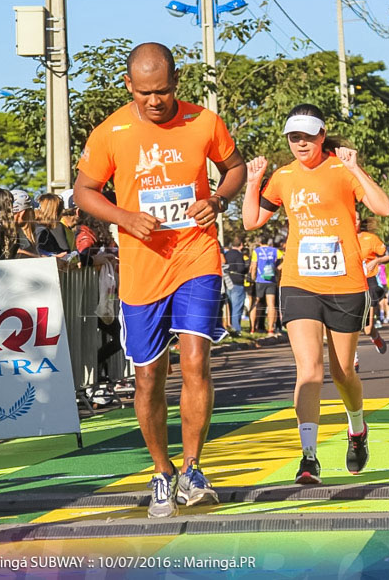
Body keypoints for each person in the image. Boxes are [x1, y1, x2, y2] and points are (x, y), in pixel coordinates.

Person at [73, 42, 246, 517]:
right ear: (129, 85)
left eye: (164, 91)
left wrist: (219, 201)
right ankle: (162, 471)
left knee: (195, 361)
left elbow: (235, 168)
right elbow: (84, 191)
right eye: (146, 92)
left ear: (176, 82)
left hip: (196, 257)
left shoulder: (203, 122)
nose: (155, 100)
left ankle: (193, 468)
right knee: (148, 376)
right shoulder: (112, 132)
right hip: (143, 267)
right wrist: (124, 216)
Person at [243, 103, 389, 484]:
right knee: (308, 370)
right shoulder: (283, 176)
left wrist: (356, 167)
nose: (301, 143)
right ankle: (308, 458)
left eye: (308, 136)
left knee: (343, 374)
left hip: (345, 284)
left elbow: (383, 208)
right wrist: (252, 181)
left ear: (322, 135)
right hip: (299, 281)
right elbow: (251, 221)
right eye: (294, 137)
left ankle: (357, 429)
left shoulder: (342, 170)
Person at [357, 215, 389, 357]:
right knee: (349, 327)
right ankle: (353, 358)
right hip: (349, 284)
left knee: (368, 329)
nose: (354, 221)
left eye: (357, 219)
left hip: (369, 282)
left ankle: (376, 338)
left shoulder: (369, 238)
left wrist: (376, 261)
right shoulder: (340, 239)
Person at [249, 236, 281, 334]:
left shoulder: (257, 251)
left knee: (256, 303)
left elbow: (254, 265)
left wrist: (253, 277)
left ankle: (253, 328)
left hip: (259, 280)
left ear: (259, 242)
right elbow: (283, 261)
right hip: (271, 280)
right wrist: (278, 274)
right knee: (271, 304)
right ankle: (270, 329)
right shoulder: (275, 251)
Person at [223, 238, 248, 333]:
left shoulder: (227, 254)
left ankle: (230, 326)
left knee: (230, 306)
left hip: (227, 281)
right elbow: (241, 268)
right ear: (241, 245)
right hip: (237, 282)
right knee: (237, 306)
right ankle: (236, 328)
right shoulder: (239, 255)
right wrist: (246, 268)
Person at [36, 193, 74, 257]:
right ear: (55, 213)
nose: (61, 216)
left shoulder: (40, 229)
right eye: (61, 211)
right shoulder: (43, 231)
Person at [11, 189, 39, 258]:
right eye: (32, 212)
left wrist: (50, 257)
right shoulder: (5, 229)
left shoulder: (18, 229)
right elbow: (16, 252)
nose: (34, 216)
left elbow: (29, 250)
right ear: (23, 213)